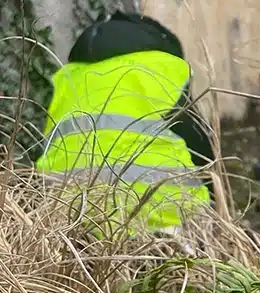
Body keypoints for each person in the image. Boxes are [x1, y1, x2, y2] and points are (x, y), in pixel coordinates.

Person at [36, 12, 213, 235]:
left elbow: (48, 149)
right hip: (159, 221)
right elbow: (202, 149)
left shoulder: (66, 78)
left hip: (71, 222)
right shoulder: (163, 67)